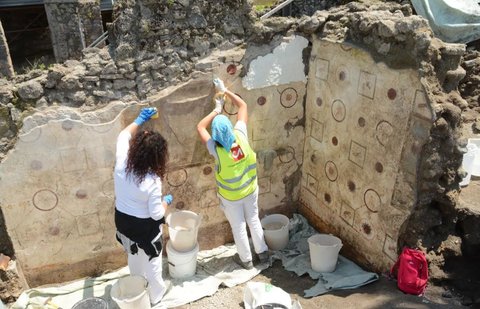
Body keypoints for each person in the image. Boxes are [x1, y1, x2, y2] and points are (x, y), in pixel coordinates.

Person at [197, 78, 269, 270]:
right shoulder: (240, 134)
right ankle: (263, 254)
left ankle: (246, 260)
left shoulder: (215, 149)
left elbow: (200, 127)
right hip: (250, 189)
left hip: (231, 197)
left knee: (238, 227)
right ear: (229, 128)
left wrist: (216, 109)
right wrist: (225, 91)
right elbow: (243, 105)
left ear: (216, 135)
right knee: (253, 219)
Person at [114, 107, 172, 305]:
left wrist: (139, 120)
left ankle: (136, 287)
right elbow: (156, 215)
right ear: (157, 157)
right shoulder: (152, 180)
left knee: (134, 256)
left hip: (123, 223)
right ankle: (156, 296)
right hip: (145, 229)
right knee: (153, 264)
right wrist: (166, 202)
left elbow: (123, 136)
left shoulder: (121, 163)